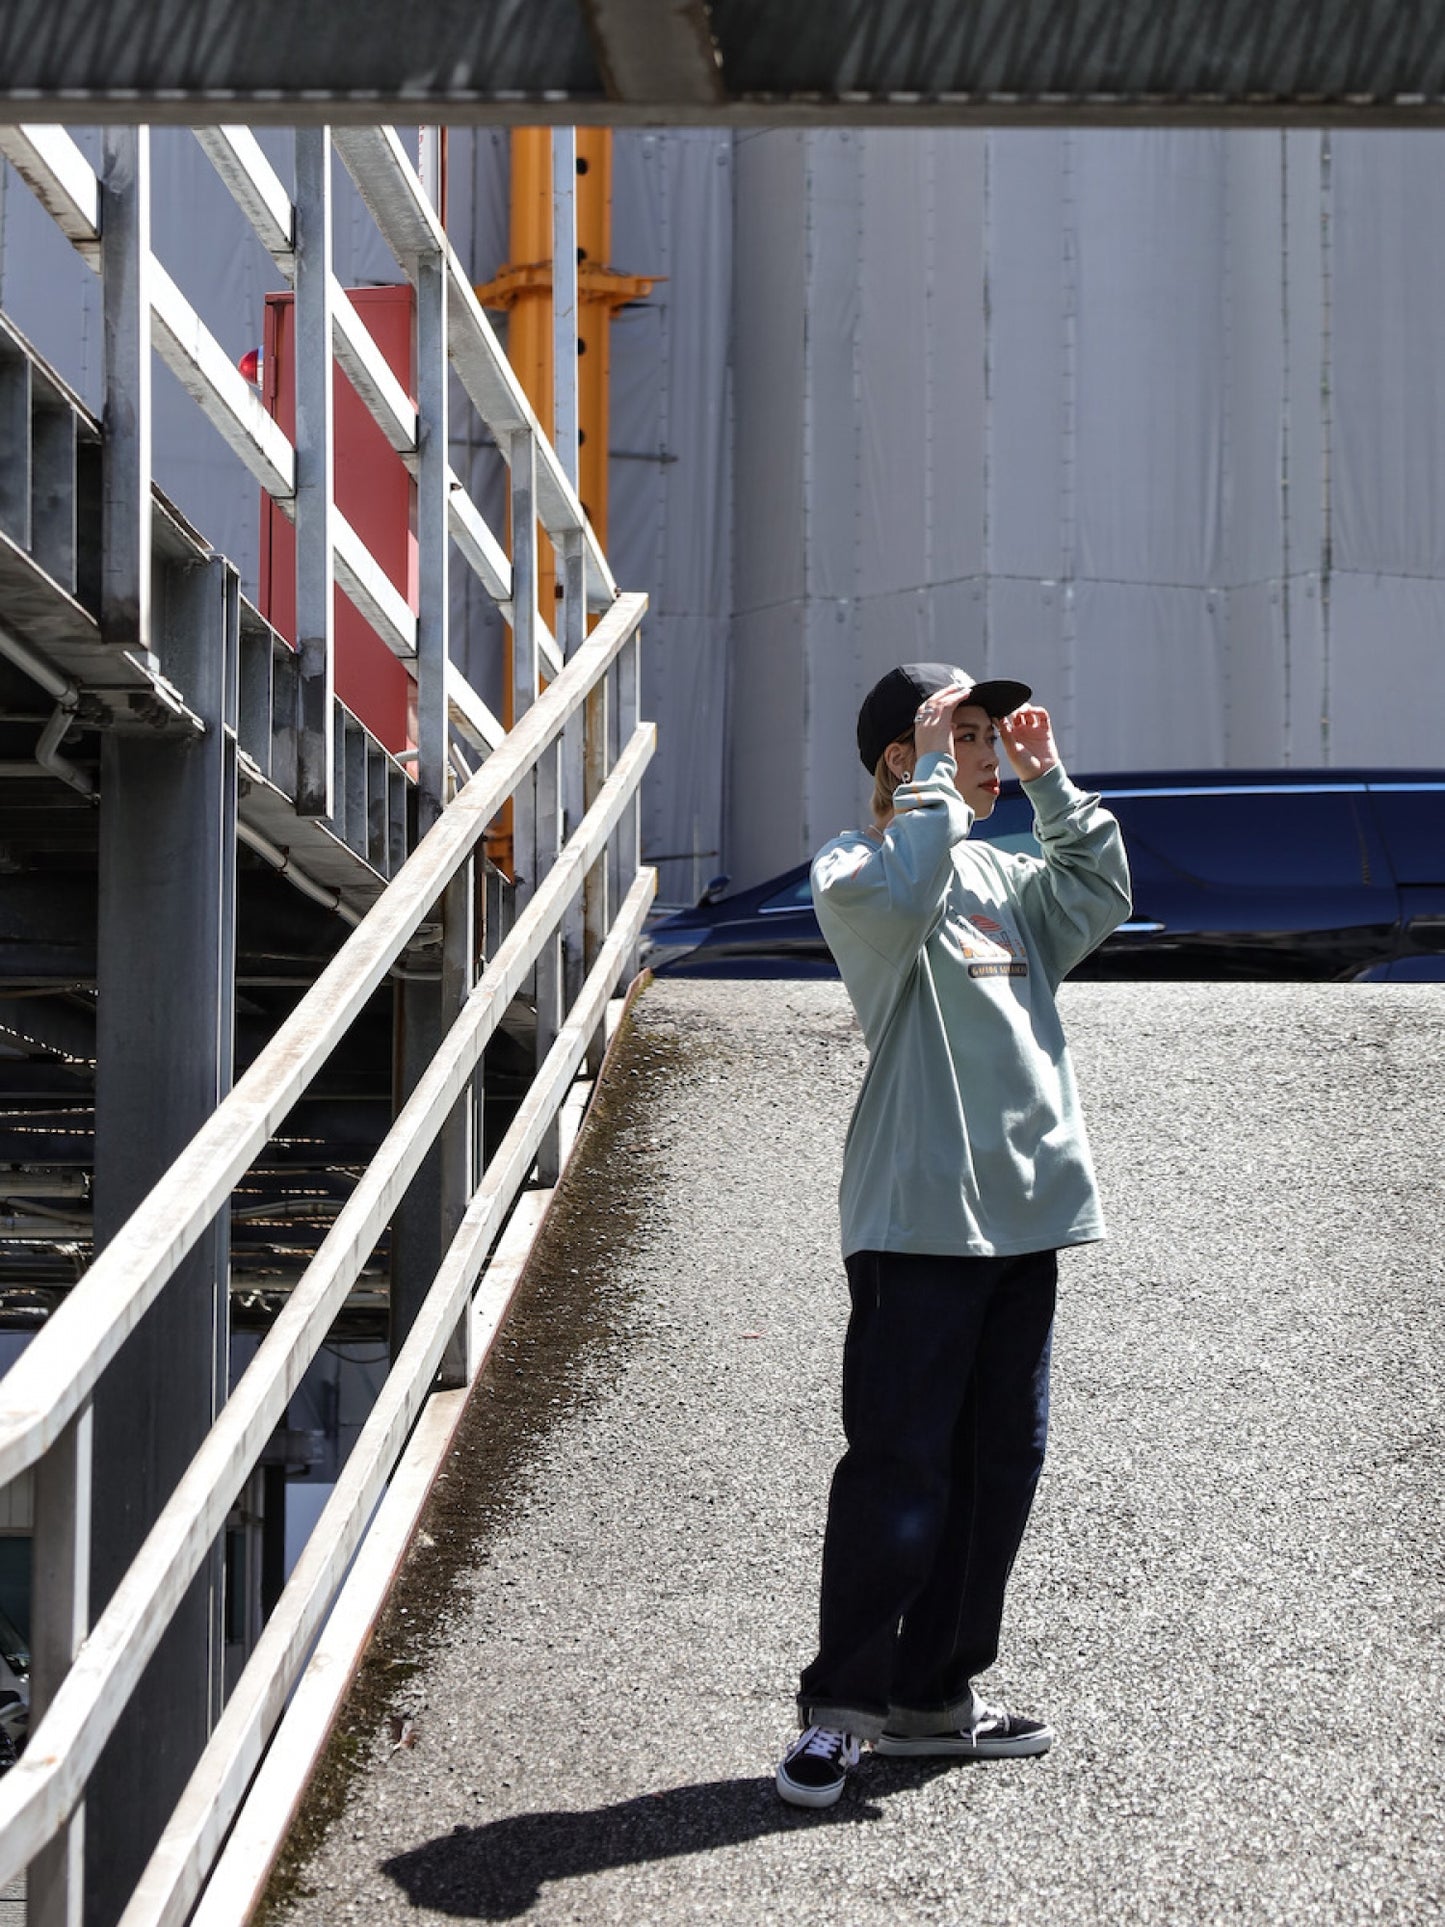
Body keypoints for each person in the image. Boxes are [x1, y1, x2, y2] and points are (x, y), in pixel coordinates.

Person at [775, 662, 1131, 1810]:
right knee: (897, 1470)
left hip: (1023, 1221)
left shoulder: (1004, 875)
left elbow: (1099, 892)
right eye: (963, 735)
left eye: (988, 737)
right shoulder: (857, 871)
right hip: (916, 1223)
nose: (988, 755)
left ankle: (931, 1699)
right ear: (903, 756)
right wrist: (934, 783)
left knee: (995, 1470)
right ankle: (839, 1715)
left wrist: (1050, 782)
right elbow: (904, 894)